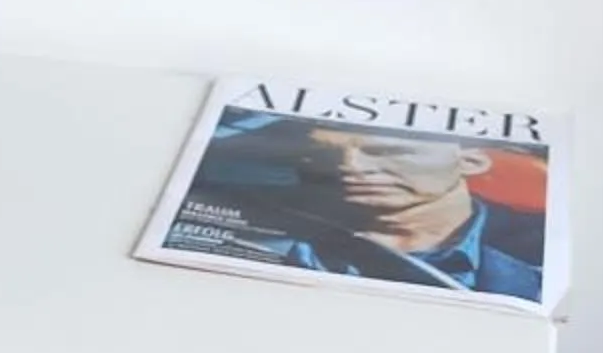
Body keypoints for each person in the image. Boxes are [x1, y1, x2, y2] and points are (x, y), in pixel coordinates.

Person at [186, 118, 545, 298]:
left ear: (472, 161)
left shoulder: (539, 248)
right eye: (320, 156)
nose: (350, 170)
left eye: (389, 153)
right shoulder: (244, 223)